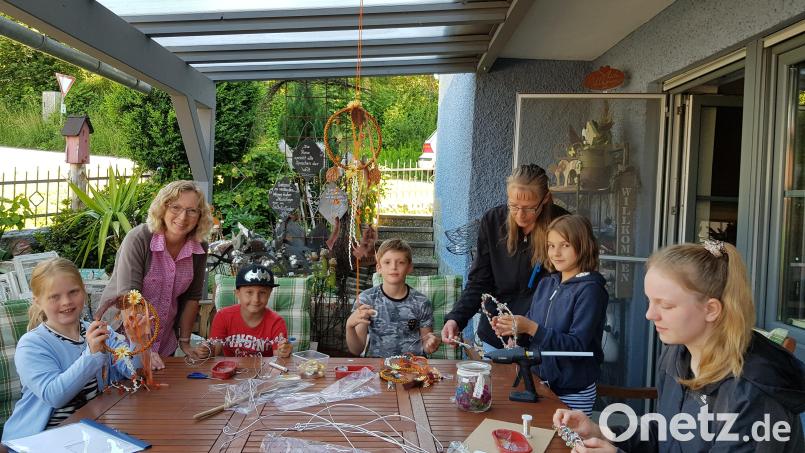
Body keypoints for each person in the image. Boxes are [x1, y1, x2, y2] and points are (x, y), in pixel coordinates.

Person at [552, 241, 805, 452]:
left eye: (666, 305)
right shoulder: (678, 354)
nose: (650, 315)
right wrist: (601, 432)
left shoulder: (754, 396)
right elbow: (667, 431)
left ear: (711, 309)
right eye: (650, 301)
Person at [2, 258, 144, 442]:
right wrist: (92, 355)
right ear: (37, 301)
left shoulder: (100, 331)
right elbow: (54, 396)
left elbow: (133, 371)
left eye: (73, 292)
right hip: (40, 438)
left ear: (83, 291)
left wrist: (137, 340)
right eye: (54, 297)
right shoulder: (31, 345)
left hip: (91, 429)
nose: (66, 301)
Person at [441, 164, 569, 351]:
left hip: (542, 334)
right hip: (497, 333)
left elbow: (563, 289)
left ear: (546, 200)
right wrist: (456, 319)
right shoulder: (493, 221)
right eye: (514, 206)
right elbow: (479, 281)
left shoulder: (563, 225)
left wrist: (524, 333)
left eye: (529, 208)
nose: (520, 215)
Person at [492, 214, 608, 416]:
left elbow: (578, 347)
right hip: (538, 382)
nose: (556, 253)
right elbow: (532, 328)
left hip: (572, 389)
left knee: (567, 445)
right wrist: (513, 332)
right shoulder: (547, 283)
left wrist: (530, 328)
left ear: (584, 245)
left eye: (565, 245)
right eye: (551, 246)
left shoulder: (591, 290)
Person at [101, 180, 213, 369]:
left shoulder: (199, 246)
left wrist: (185, 342)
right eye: (175, 207)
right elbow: (129, 298)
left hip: (163, 338)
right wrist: (144, 348)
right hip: (122, 338)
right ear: (162, 208)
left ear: (200, 215)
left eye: (192, 210)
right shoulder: (140, 239)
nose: (183, 217)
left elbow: (192, 297)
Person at [346, 238, 440, 357]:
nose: (394, 267)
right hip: (377, 367)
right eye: (387, 262)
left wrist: (430, 344)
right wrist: (349, 326)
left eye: (401, 262)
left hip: (413, 368)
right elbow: (356, 350)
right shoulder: (366, 299)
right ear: (378, 268)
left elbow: (426, 343)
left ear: (410, 267)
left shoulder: (422, 302)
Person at [207, 263, 292, 358]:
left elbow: (278, 356)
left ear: (269, 294)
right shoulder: (223, 316)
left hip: (265, 371)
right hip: (231, 370)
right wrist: (206, 351)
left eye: (262, 293)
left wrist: (283, 352)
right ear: (237, 294)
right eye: (249, 292)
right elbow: (214, 352)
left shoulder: (277, 322)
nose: (256, 299)